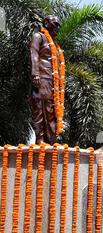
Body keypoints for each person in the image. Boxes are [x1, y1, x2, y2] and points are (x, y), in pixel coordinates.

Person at [30, 15, 65, 145]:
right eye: (55, 24)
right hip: (41, 78)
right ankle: (39, 139)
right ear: (46, 23)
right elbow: (34, 54)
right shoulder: (39, 36)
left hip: (53, 82)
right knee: (39, 107)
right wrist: (35, 74)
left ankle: (51, 139)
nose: (58, 27)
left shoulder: (56, 46)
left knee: (51, 110)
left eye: (58, 25)